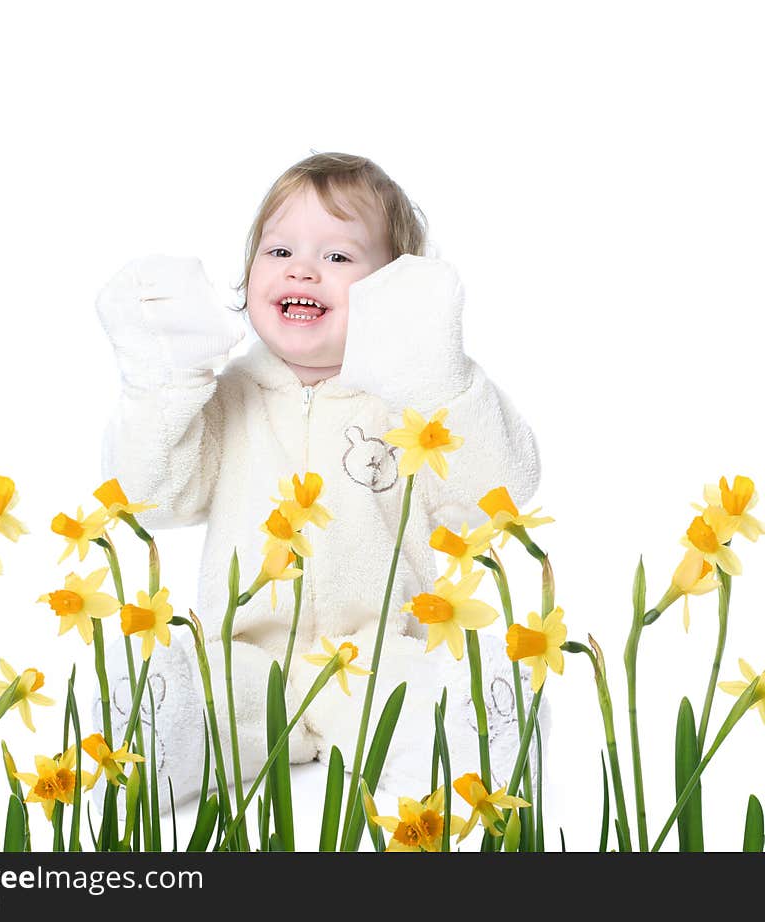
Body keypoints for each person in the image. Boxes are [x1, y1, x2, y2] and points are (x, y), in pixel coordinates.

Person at [94, 151, 545, 815]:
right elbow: (153, 497)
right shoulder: (224, 397)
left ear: (394, 293)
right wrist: (164, 384)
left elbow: (500, 489)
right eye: (278, 249)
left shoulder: (413, 401)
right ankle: (165, 735)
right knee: (206, 693)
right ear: (246, 280)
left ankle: (480, 741)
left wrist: (440, 381)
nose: (302, 268)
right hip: (246, 654)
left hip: (376, 653)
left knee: (413, 703)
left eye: (338, 257)